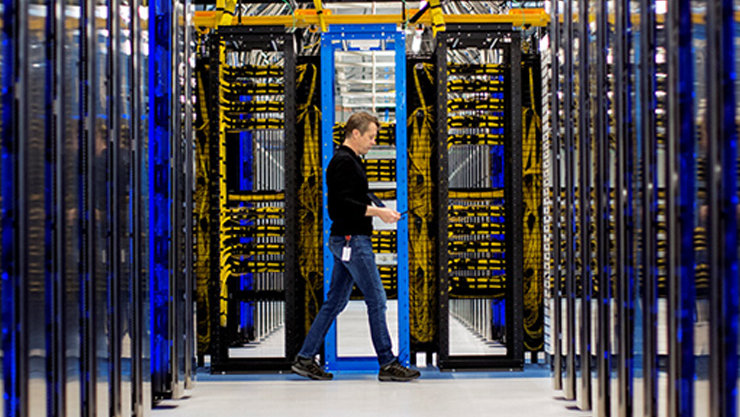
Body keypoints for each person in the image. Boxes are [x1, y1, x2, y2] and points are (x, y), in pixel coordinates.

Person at [291, 112, 421, 382]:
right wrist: (377, 213)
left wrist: (382, 209)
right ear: (355, 133)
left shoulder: (351, 161)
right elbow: (341, 206)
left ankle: (305, 358)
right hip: (352, 239)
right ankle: (387, 362)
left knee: (335, 301)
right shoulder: (343, 162)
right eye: (371, 137)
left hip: (348, 239)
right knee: (377, 300)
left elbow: (356, 195)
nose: (373, 142)